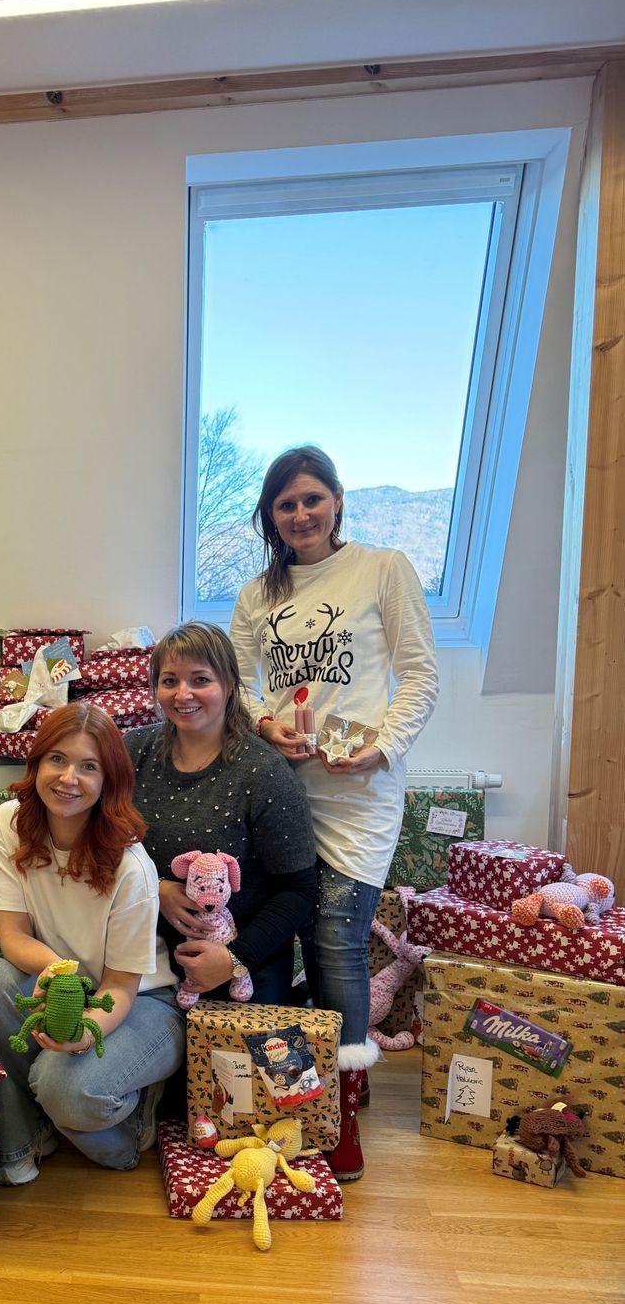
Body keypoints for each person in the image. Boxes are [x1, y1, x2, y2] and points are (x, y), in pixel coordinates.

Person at [230, 444, 438, 1180]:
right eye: (286, 504)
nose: (301, 514)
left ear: (339, 500)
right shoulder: (258, 592)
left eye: (312, 498)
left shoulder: (383, 569)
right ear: (272, 516)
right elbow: (239, 684)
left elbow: (419, 673)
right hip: (284, 792)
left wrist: (384, 747)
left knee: (335, 940)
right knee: (278, 937)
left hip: (360, 792)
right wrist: (260, 725)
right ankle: (292, 1091)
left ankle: (343, 1105)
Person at [0, 702, 182, 1185]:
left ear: (110, 780)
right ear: (36, 763)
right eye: (57, 759)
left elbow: (122, 986)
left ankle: (130, 1128)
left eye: (89, 767)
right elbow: (13, 935)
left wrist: (84, 1033)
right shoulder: (10, 822)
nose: (68, 778)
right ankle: (23, 1142)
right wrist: (56, 974)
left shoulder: (130, 866)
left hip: (141, 1000)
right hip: (64, 984)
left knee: (64, 1089)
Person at [123, 622, 316, 1007]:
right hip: (143, 960)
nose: (183, 694)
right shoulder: (133, 751)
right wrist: (154, 889)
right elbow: (101, 841)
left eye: (200, 680)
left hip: (243, 968)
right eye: (169, 681)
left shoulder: (263, 772)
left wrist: (234, 959)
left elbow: (299, 891)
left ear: (229, 684)